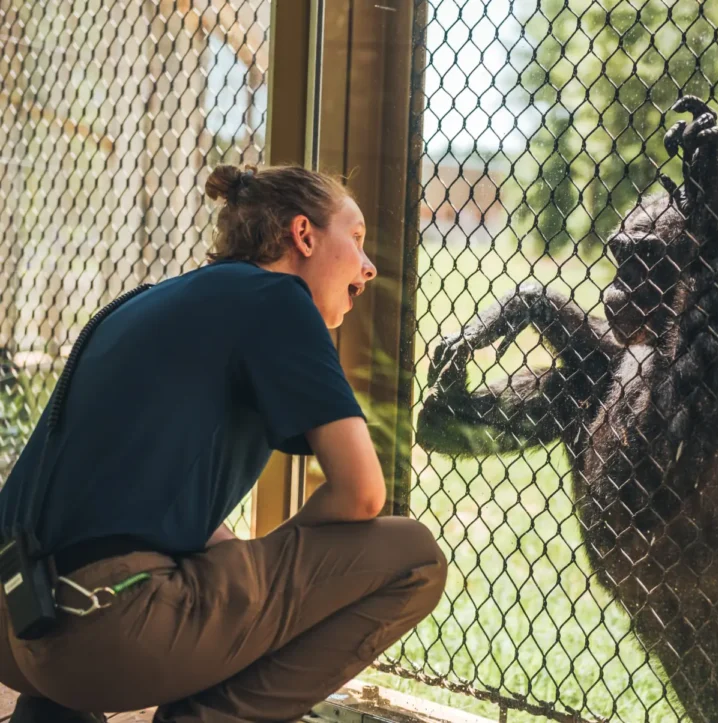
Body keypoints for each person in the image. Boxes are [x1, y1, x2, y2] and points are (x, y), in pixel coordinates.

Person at [0, 165, 448, 723]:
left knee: (191, 552)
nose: (369, 265)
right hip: (103, 631)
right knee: (412, 555)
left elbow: (133, 494)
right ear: (303, 235)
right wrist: (267, 578)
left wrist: (234, 561)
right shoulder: (279, 299)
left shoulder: (152, 301)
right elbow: (363, 494)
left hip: (17, 618)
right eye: (354, 239)